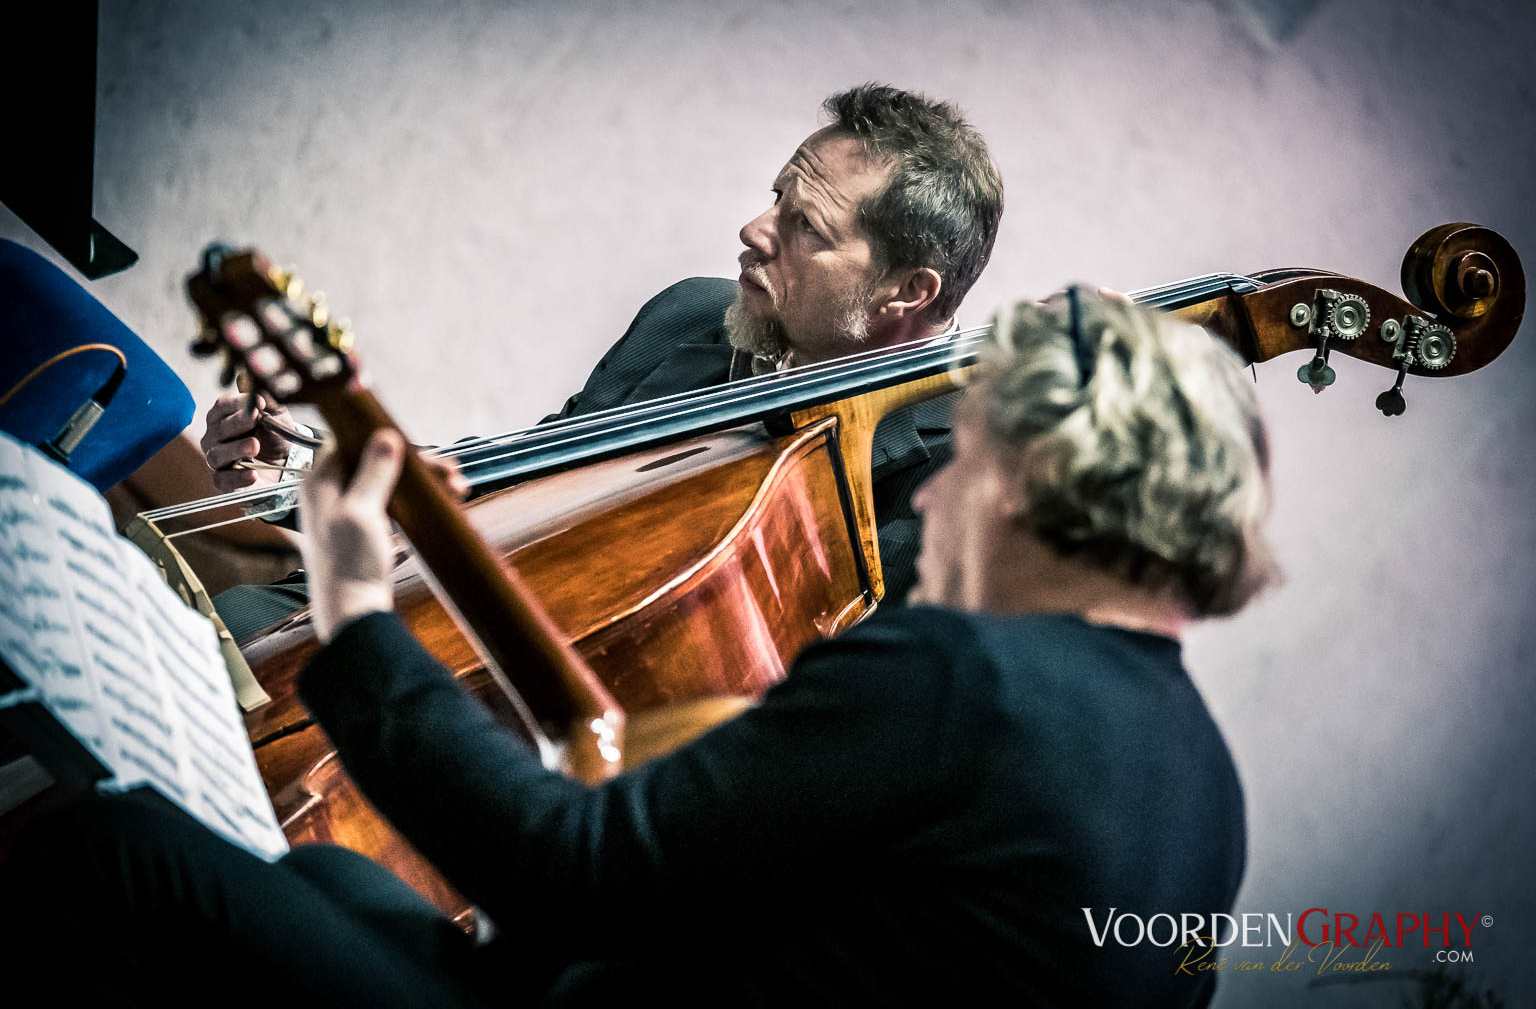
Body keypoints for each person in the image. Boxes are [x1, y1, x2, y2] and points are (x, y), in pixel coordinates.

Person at [1, 289, 1277, 1006]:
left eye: (971, 457)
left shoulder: (971, 677)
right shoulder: (1208, 795)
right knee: (335, 882)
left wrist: (354, 602)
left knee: (124, 849)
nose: (937, 496)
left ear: (1036, 482)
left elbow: (568, 872)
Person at [200, 83, 1005, 637]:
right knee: (229, 624)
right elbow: (523, 481)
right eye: (776, 199)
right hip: (474, 614)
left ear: (908, 291)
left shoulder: (958, 480)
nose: (754, 230)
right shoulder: (692, 316)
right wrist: (301, 473)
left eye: (806, 227)